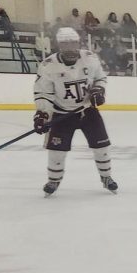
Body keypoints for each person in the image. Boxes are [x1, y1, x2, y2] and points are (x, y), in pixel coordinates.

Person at [33, 27, 117, 196]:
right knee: (57, 151)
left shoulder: (90, 58)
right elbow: (43, 93)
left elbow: (100, 78)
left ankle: (106, 177)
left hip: (88, 112)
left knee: (102, 147)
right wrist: (42, 114)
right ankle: (53, 180)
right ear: (59, 46)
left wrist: (98, 90)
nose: (70, 48)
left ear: (78, 43)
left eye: (73, 43)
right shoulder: (48, 66)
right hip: (61, 114)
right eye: (66, 44)